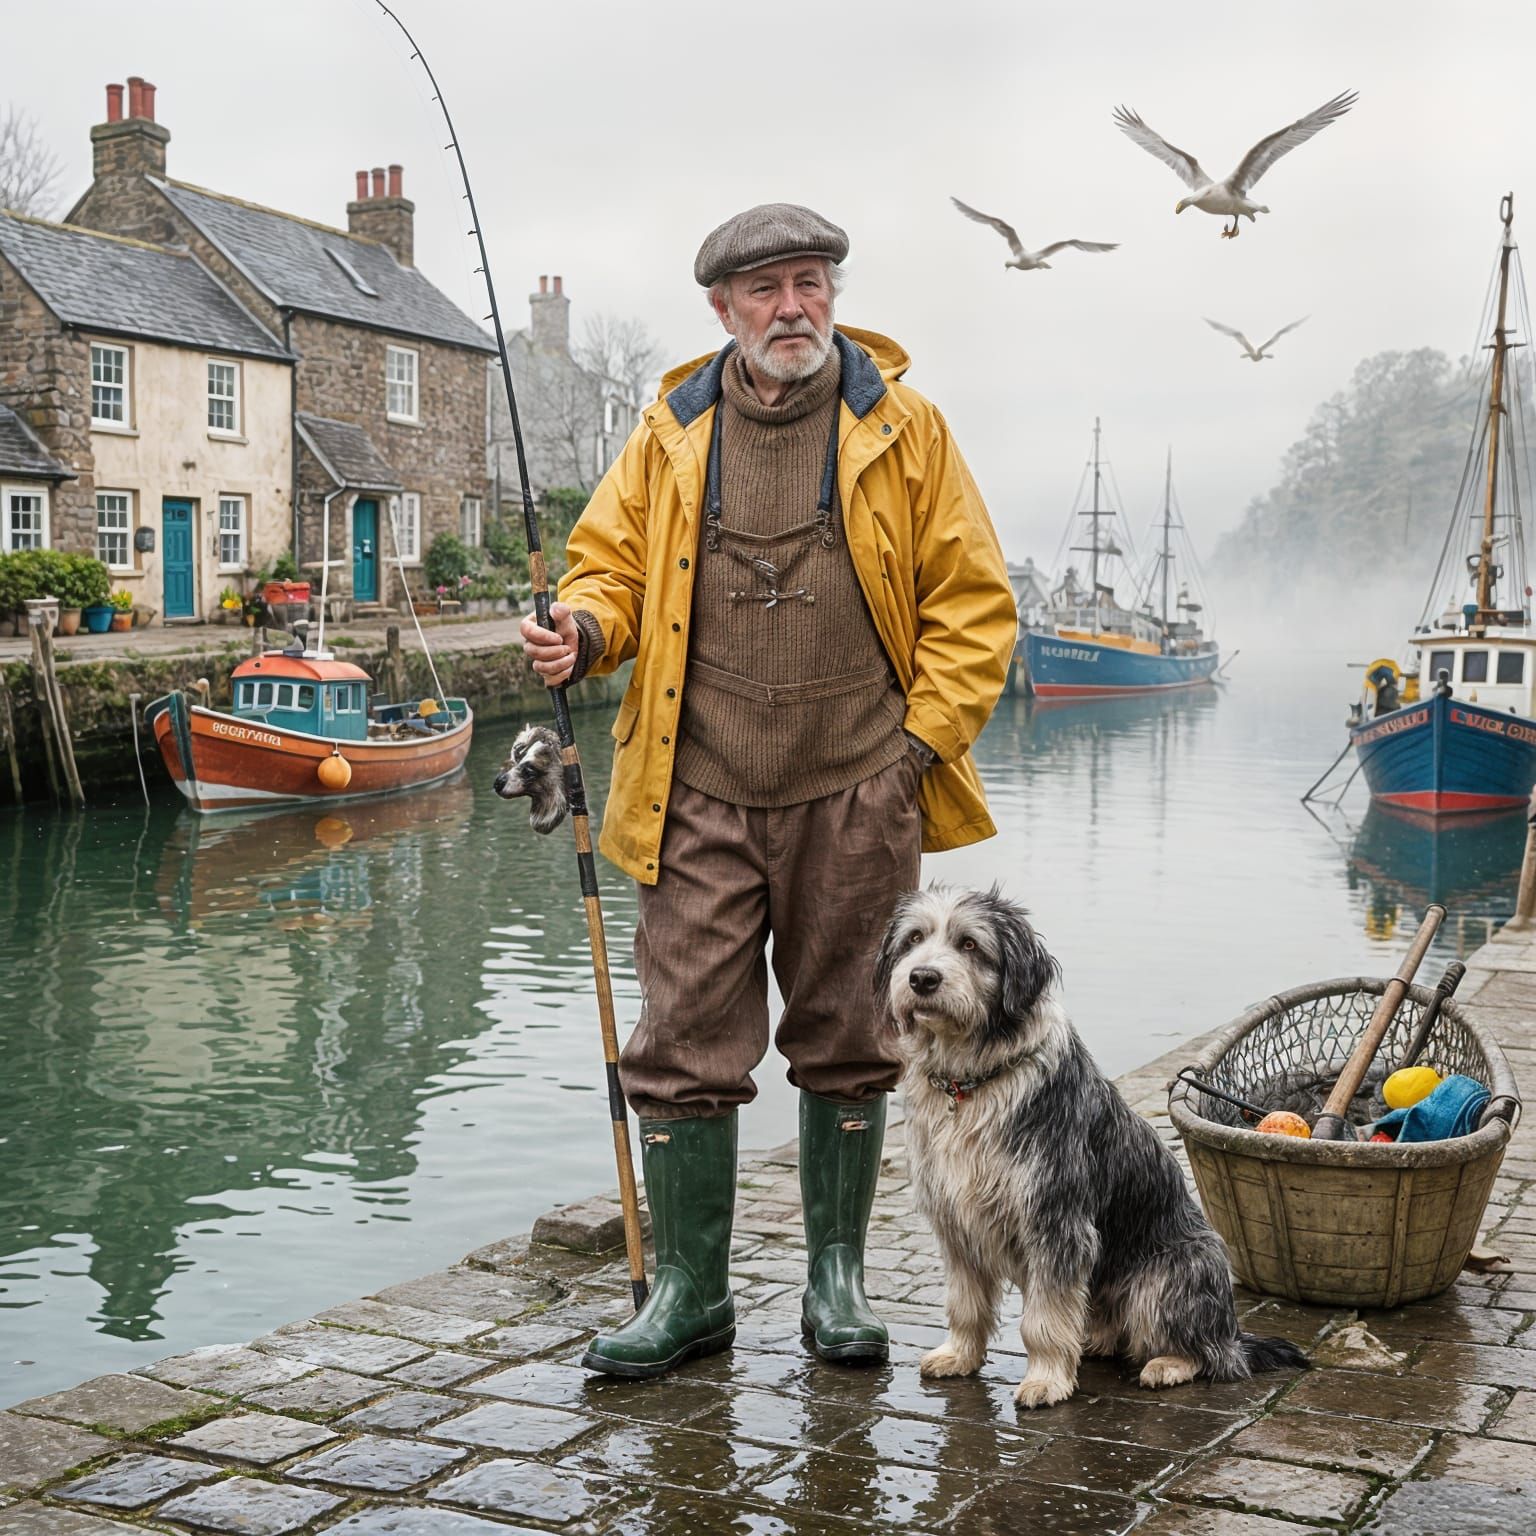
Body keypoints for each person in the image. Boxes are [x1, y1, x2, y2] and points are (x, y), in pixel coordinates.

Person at [520, 202, 1016, 1379]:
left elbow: (975, 607)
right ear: (723, 310)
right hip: (697, 789)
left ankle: (834, 1284)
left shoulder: (908, 428)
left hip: (860, 786)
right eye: (766, 291)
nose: (792, 306)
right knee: (685, 1032)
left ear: (832, 292)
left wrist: (912, 756)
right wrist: (583, 632)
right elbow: (610, 567)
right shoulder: (670, 433)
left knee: (851, 1036)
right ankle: (690, 1294)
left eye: (810, 282)